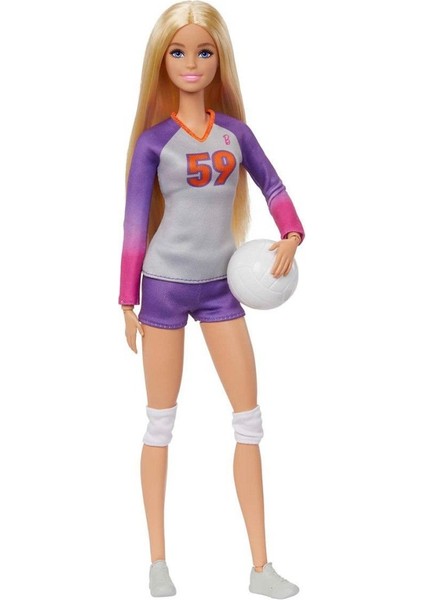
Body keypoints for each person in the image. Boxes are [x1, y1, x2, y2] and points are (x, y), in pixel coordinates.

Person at [118, 2, 304, 597]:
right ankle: (158, 561)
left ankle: (260, 566)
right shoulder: (154, 142)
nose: (192, 62)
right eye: (178, 51)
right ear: (162, 60)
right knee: (160, 423)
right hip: (164, 287)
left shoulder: (235, 134)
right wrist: (126, 300)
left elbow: (273, 184)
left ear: (220, 58)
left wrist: (292, 233)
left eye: (204, 51)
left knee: (249, 420)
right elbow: (134, 225)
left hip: (223, 284)